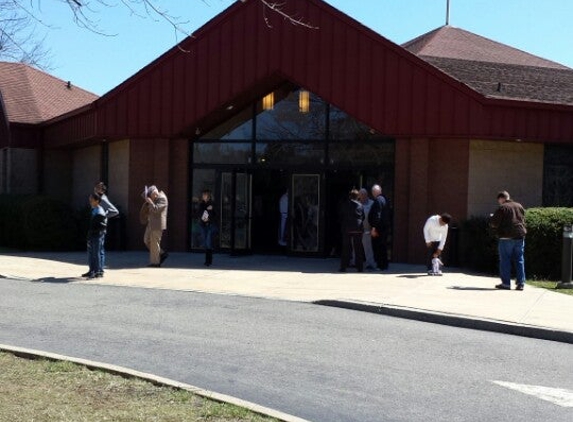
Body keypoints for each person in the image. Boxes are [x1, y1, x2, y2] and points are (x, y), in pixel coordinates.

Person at [489, 190, 527, 290]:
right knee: (519, 259)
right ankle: (521, 283)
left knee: (505, 260)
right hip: (520, 235)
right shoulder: (519, 205)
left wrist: (492, 218)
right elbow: (523, 219)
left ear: (502, 199)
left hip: (506, 237)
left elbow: (494, 223)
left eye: (499, 200)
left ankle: (506, 283)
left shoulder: (503, 207)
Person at [93, 182, 119, 276]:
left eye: (97, 187)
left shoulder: (103, 199)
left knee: (99, 249)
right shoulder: (98, 198)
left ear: (101, 190)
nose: (95, 188)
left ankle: (100, 270)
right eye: (95, 187)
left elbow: (115, 211)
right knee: (96, 248)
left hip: (101, 226)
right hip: (97, 225)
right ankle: (95, 269)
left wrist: (104, 216)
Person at [140, 185, 168, 267]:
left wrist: (151, 202)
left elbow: (156, 210)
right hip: (151, 223)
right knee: (146, 240)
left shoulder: (162, 198)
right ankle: (162, 253)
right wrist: (147, 198)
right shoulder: (155, 197)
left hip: (157, 224)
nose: (151, 198)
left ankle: (155, 263)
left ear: (155, 193)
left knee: (154, 243)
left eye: (151, 196)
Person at [339, 189, 365, 272]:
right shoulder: (360, 205)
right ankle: (360, 268)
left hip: (347, 228)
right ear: (357, 197)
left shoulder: (345, 204)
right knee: (358, 248)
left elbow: (341, 214)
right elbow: (363, 216)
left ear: (350, 196)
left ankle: (343, 267)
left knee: (346, 248)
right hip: (357, 228)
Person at [83, 193, 107, 279]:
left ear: (97, 201)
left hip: (97, 234)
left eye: (91, 200)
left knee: (96, 252)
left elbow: (101, 224)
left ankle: (98, 271)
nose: (90, 201)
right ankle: (92, 270)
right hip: (92, 233)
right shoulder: (94, 209)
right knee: (91, 252)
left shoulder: (100, 211)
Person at [368, 184, 390, 270]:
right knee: (383, 246)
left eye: (372, 192)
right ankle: (384, 265)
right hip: (384, 227)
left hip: (379, 229)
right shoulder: (385, 199)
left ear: (374, 192)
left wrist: (374, 228)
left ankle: (380, 265)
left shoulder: (377, 200)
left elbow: (377, 215)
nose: (372, 194)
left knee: (378, 247)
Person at [358, 188, 377, 270]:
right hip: (358, 230)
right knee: (356, 247)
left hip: (367, 230)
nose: (362, 196)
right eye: (361, 195)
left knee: (368, 248)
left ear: (367, 195)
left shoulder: (372, 204)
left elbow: (374, 216)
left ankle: (370, 263)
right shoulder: (357, 204)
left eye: (364, 195)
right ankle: (355, 262)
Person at [198, 189, 216, 266]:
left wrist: (209, 217)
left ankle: (208, 261)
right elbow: (199, 213)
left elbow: (215, 215)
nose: (203, 196)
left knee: (208, 242)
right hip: (203, 225)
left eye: (204, 195)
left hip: (210, 225)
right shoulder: (201, 204)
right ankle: (207, 260)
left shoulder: (212, 204)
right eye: (203, 195)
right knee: (205, 243)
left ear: (208, 196)